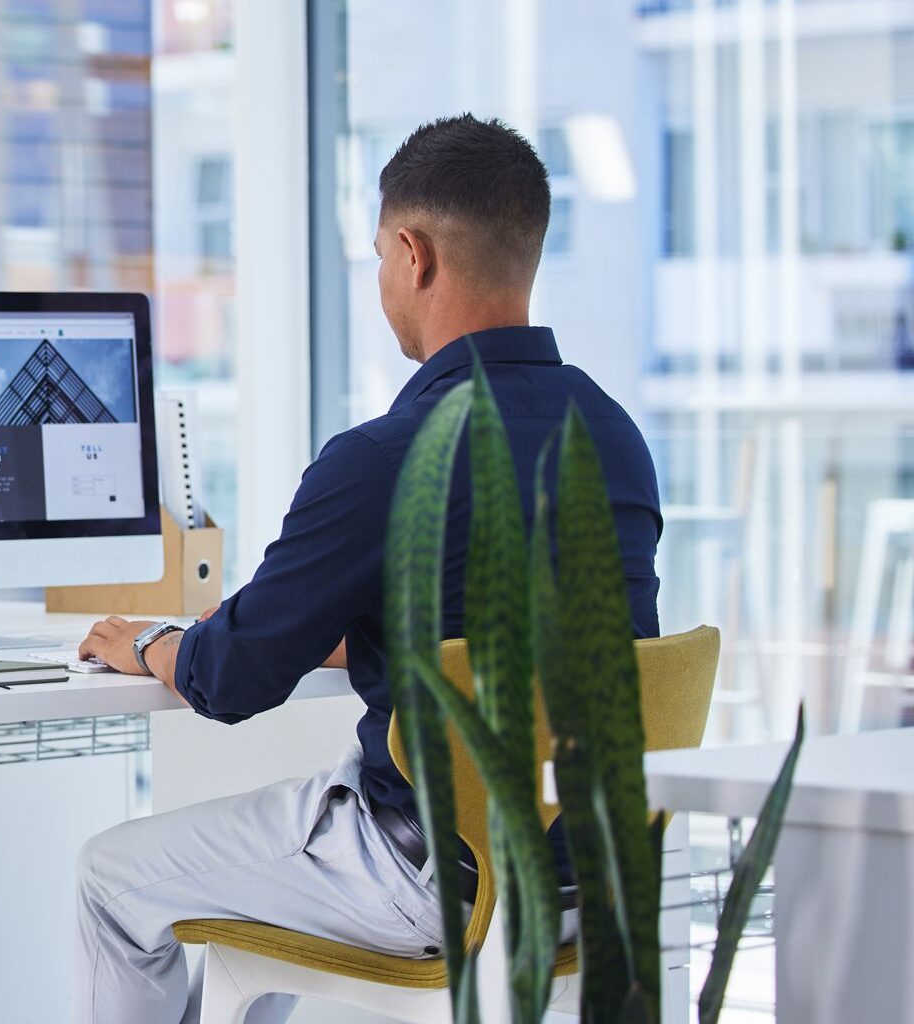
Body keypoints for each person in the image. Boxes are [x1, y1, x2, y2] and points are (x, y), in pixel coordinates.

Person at [73, 115, 663, 1023]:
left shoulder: (387, 458)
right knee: (244, 903)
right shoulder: (613, 436)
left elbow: (231, 679)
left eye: (379, 257)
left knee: (112, 875)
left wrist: (153, 641)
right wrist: (380, 637)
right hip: (595, 876)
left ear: (412, 254)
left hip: (436, 877)